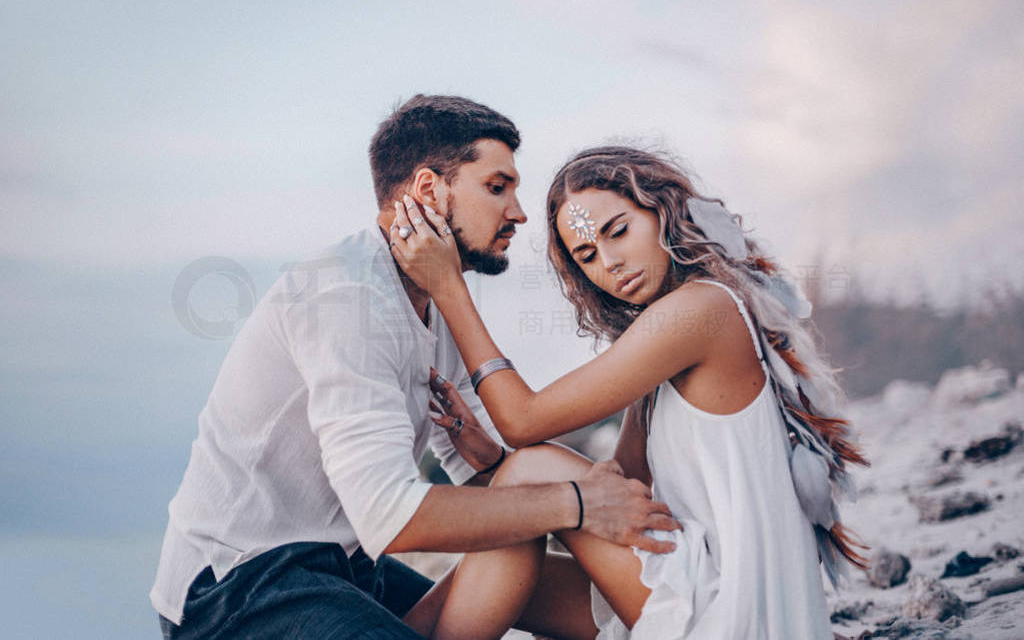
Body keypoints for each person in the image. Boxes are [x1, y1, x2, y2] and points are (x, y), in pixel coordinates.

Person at [151, 99, 681, 639]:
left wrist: (518, 475)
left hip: (348, 567)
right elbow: (389, 514)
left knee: (591, 602)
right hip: (240, 585)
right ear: (429, 190)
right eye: (497, 188)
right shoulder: (350, 298)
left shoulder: (432, 299)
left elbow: (489, 476)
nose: (519, 213)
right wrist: (577, 502)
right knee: (541, 507)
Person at [391, 145, 870, 638]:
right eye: (587, 256)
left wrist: (447, 287)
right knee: (510, 567)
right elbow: (619, 494)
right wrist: (495, 464)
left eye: (617, 231)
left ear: (662, 210)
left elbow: (523, 419)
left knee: (533, 465)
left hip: (732, 612)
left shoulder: (702, 309)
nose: (611, 263)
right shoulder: (668, 337)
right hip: (698, 582)